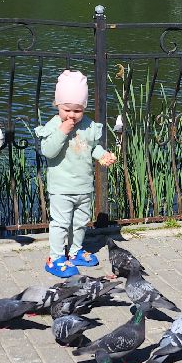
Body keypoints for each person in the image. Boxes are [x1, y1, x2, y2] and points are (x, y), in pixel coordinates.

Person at [35, 70, 117, 278]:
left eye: (77, 110)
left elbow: (92, 147)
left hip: (83, 186)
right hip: (61, 187)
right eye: (67, 109)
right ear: (57, 105)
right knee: (61, 223)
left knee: (80, 222)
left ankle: (75, 250)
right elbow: (48, 151)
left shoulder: (88, 125)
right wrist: (62, 131)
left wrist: (102, 155)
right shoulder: (54, 126)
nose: (72, 115)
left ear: (84, 108)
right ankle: (55, 257)